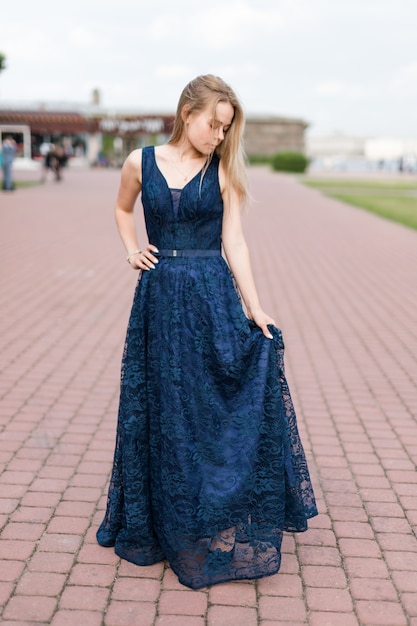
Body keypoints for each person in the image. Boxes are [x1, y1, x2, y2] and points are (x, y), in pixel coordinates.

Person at [97, 74, 317, 589]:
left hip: (211, 297)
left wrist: (255, 308)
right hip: (156, 299)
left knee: (204, 405)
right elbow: (122, 209)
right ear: (187, 113)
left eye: (226, 129)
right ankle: (160, 516)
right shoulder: (139, 162)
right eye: (213, 125)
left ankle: (207, 508)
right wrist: (131, 247)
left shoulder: (223, 173)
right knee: (159, 403)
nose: (219, 136)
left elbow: (234, 243)